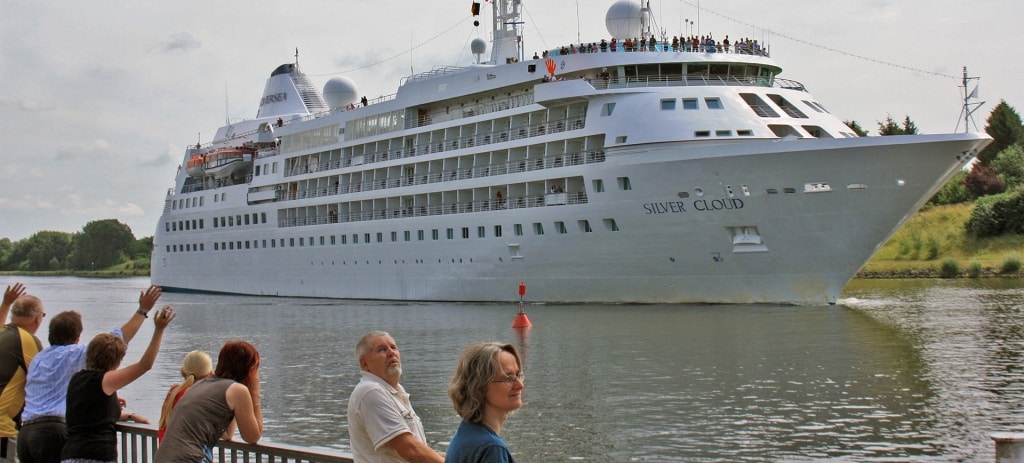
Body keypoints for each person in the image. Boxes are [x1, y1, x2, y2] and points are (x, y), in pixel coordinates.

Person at [18, 285, 163, 463]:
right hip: (52, 434)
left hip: (25, 434)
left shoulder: (38, 359)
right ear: (78, 336)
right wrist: (143, 310)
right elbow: (118, 339)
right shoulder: (75, 354)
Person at [60, 306, 175, 463]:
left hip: (70, 454)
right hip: (94, 456)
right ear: (115, 360)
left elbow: (90, 417)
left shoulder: (77, 379)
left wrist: (128, 416)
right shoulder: (105, 380)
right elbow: (144, 365)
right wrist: (159, 330)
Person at [155, 341, 262, 461]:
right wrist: (254, 394)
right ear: (250, 369)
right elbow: (252, 437)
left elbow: (227, 435)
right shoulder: (238, 390)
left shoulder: (202, 384)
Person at [347, 331, 443, 463]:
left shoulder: (395, 391)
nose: (391, 353)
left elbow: (417, 447)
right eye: (382, 350)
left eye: (394, 347)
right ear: (365, 364)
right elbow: (410, 450)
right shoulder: (370, 391)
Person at [444, 343, 524, 463]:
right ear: (479, 387)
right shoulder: (491, 448)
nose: (520, 385)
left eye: (518, 375)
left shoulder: (466, 434)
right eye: (508, 378)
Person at [0, 283, 43, 462]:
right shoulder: (29, 341)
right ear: (38, 319)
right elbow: (43, 381)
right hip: (3, 428)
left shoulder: (3, 333)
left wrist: (5, 303)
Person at [156, 350, 213, 443]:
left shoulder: (173, 392)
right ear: (210, 374)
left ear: (183, 371)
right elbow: (226, 435)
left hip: (165, 454)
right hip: (189, 455)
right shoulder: (202, 397)